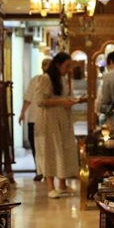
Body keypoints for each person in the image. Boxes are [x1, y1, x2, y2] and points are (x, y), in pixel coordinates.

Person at [34, 52, 81, 199]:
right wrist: (62, 102)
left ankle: (62, 184)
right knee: (50, 150)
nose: (68, 69)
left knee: (64, 148)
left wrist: (71, 101)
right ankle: (50, 186)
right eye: (67, 66)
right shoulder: (45, 78)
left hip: (62, 118)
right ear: (58, 65)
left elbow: (62, 98)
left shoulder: (63, 79)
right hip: (49, 120)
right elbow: (40, 101)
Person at [18, 58, 52, 181]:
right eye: (44, 65)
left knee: (47, 145)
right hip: (34, 118)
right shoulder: (35, 80)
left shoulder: (54, 81)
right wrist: (22, 113)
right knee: (35, 146)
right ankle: (39, 170)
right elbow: (28, 98)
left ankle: (48, 171)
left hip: (48, 118)